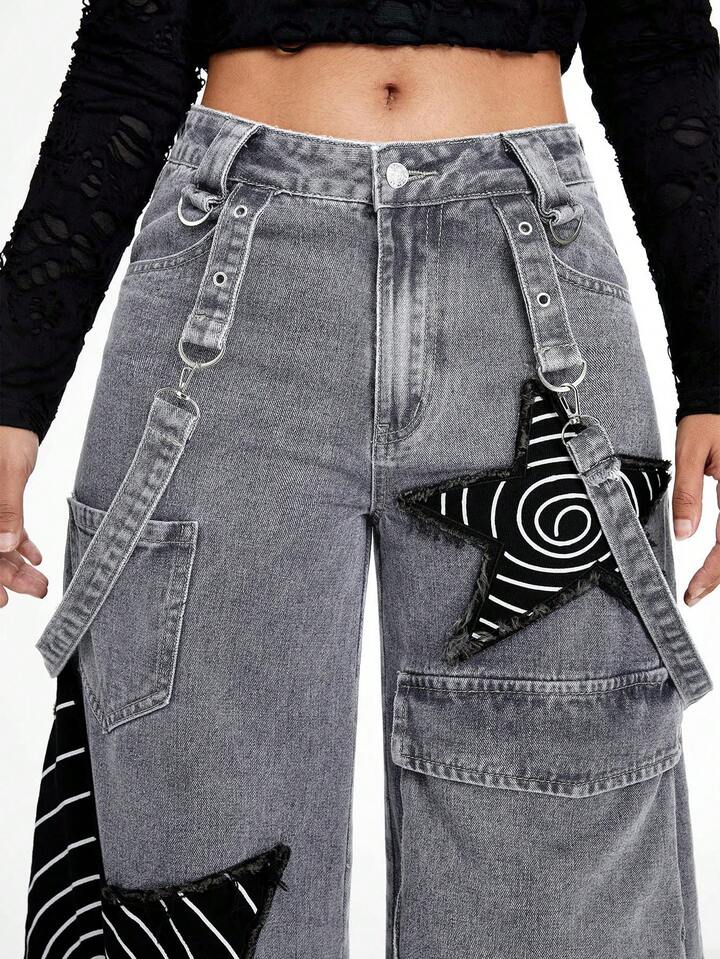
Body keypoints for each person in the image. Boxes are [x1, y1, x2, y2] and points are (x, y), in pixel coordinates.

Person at [1, 2, 718, 957]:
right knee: (192, 854)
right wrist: (13, 388)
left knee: (563, 879)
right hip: (230, 288)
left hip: (530, 298)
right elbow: (128, 59)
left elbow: (659, 46)